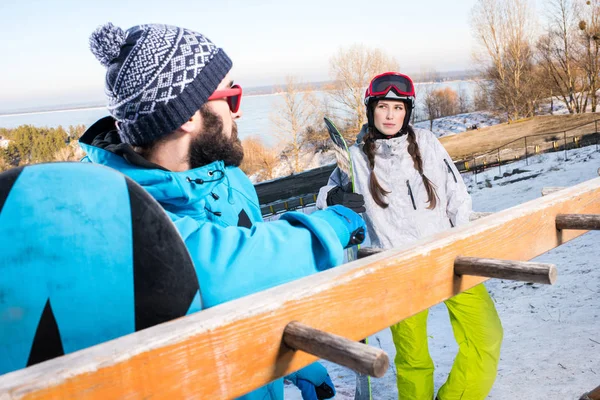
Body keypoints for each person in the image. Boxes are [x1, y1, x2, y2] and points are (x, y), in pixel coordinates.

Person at [83, 22, 366, 400]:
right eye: (232, 97)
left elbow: (254, 280)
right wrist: (329, 227)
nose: (240, 112)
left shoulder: (229, 179)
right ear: (187, 115)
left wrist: (292, 361)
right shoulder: (115, 212)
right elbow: (216, 271)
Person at [317, 72, 503, 400]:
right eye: (383, 107)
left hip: (447, 256)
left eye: (398, 108)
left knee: (487, 336)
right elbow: (325, 199)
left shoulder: (428, 144)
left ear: (408, 111)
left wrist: (462, 241)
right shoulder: (357, 158)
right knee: (414, 360)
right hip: (398, 267)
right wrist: (333, 200)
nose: (391, 115)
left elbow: (456, 194)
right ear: (371, 109)